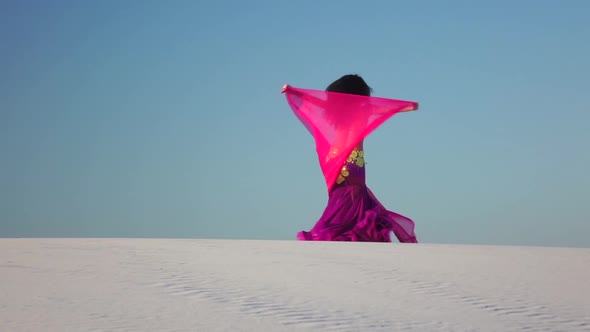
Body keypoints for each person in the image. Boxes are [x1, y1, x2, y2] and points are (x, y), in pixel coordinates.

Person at [291, 74, 418, 243]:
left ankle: (350, 233)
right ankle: (351, 233)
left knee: (347, 199)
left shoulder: (359, 113)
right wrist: (295, 93)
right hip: (341, 164)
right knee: (343, 199)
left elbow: (389, 108)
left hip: (345, 163)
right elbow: (319, 103)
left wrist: (404, 106)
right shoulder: (348, 114)